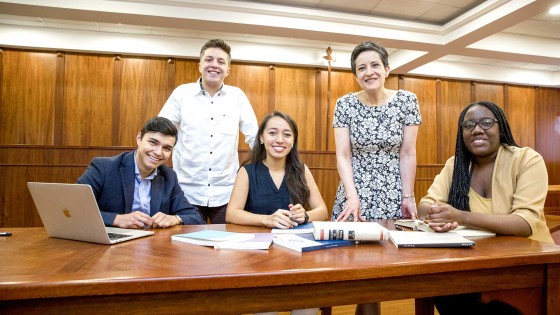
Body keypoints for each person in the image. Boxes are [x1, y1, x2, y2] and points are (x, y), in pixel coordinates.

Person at [418, 100, 553, 315]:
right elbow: (424, 206)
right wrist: (438, 216)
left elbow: (524, 223)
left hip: (529, 267)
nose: (477, 130)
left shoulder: (527, 159)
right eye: (468, 125)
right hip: (476, 263)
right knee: (440, 287)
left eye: (486, 122)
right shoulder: (456, 165)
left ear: (501, 128)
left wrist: (459, 216)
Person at [332, 41, 422, 315]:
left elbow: (407, 153)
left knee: (383, 270)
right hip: (355, 191)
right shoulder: (344, 104)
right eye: (361, 68)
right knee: (359, 268)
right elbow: (343, 155)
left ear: (386, 69)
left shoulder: (407, 100)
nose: (368, 72)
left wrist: (408, 196)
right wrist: (352, 195)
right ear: (355, 74)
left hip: (392, 192)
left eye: (374, 65)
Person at [226, 111, 327, 315]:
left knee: (308, 304)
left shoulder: (301, 170)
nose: (280, 140)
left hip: (298, 256)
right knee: (266, 307)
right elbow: (232, 213)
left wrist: (305, 215)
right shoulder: (248, 171)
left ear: (293, 141)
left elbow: (322, 210)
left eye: (287, 134)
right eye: (273, 133)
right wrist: (266, 219)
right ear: (262, 138)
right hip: (258, 258)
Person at [159, 39, 258, 224]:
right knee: (187, 250)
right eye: (209, 60)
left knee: (226, 248)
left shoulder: (237, 96)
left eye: (221, 62)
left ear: (228, 70)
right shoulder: (182, 93)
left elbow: (254, 137)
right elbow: (161, 131)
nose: (214, 65)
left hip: (226, 192)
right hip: (185, 192)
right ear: (200, 65)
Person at [77, 116, 205, 228]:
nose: (158, 152)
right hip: (110, 247)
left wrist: (175, 219)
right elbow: (72, 208)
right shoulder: (103, 168)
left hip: (153, 248)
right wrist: (116, 219)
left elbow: (196, 217)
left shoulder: (169, 177)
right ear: (139, 138)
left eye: (166, 148)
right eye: (153, 142)